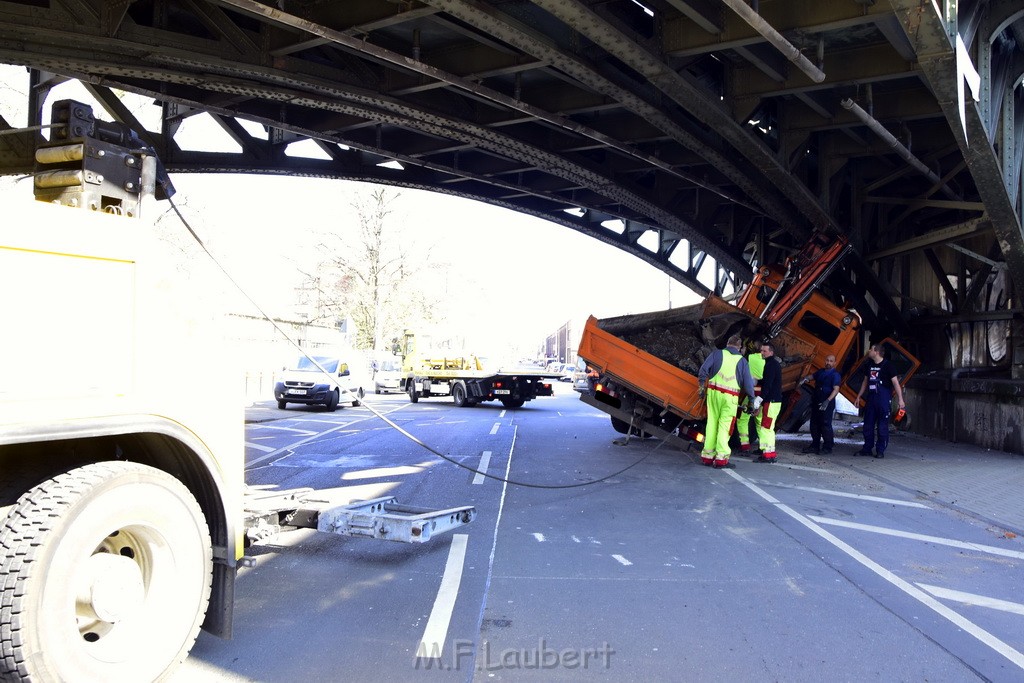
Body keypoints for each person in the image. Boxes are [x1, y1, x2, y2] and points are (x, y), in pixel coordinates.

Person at [697, 334, 756, 469]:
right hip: (730, 398)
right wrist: (751, 400)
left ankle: (707, 456)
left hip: (713, 393)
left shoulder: (716, 354)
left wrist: (701, 387)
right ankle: (721, 459)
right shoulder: (742, 361)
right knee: (725, 426)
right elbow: (747, 384)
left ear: (728, 343)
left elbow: (703, 370)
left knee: (711, 423)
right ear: (739, 347)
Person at [853, 344, 906, 458]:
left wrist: (901, 400)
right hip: (871, 399)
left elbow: (896, 383)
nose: (869, 351)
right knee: (868, 425)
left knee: (882, 427)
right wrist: (859, 396)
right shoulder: (869, 365)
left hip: (883, 400)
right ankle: (867, 448)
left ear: (876, 352)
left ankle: (880, 450)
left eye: (871, 349)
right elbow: (865, 382)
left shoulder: (888, 366)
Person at [798, 354, 842, 454]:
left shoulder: (835, 375)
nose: (828, 363)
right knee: (814, 424)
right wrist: (805, 379)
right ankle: (815, 445)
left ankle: (828, 447)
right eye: (827, 360)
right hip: (817, 400)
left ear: (835, 363)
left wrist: (827, 401)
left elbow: (836, 390)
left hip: (827, 402)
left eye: (831, 361)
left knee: (825, 425)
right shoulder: (821, 371)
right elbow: (812, 376)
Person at [753, 342, 783, 463]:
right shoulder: (773, 364)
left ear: (771, 352)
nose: (762, 353)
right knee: (769, 428)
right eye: (761, 351)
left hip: (771, 401)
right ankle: (769, 453)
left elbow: (768, 384)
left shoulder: (770, 365)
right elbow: (768, 381)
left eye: (764, 351)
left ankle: (767, 455)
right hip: (774, 402)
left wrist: (760, 398)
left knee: (766, 428)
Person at [736, 340, 765, 455]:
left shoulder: (751, 358)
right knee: (760, 422)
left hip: (751, 395)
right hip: (762, 396)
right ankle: (763, 448)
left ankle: (745, 447)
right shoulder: (766, 362)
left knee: (743, 419)